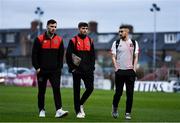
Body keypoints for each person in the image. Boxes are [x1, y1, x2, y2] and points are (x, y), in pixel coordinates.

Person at [32, 19, 68, 118]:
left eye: (55, 27)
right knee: (41, 91)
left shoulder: (59, 40)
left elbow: (61, 56)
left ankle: (59, 110)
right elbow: (34, 55)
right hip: (42, 70)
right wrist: (37, 67)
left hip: (55, 71)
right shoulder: (39, 39)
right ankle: (41, 110)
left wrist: (59, 68)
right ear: (47, 26)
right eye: (52, 26)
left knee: (57, 89)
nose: (53, 28)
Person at [66, 22, 95, 118]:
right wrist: (72, 68)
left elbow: (92, 56)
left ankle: (80, 104)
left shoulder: (90, 40)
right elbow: (68, 56)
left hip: (88, 70)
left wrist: (92, 67)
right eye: (83, 28)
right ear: (79, 29)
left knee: (90, 88)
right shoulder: (73, 40)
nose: (85, 30)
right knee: (76, 91)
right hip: (77, 71)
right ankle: (78, 111)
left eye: (86, 28)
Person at [111, 25, 139, 120]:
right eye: (119, 31)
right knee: (118, 93)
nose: (120, 33)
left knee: (130, 94)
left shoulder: (134, 43)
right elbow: (113, 56)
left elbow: (136, 57)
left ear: (127, 32)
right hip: (120, 71)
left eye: (122, 31)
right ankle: (115, 108)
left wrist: (134, 69)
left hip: (130, 72)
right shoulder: (116, 43)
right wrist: (116, 68)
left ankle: (128, 113)